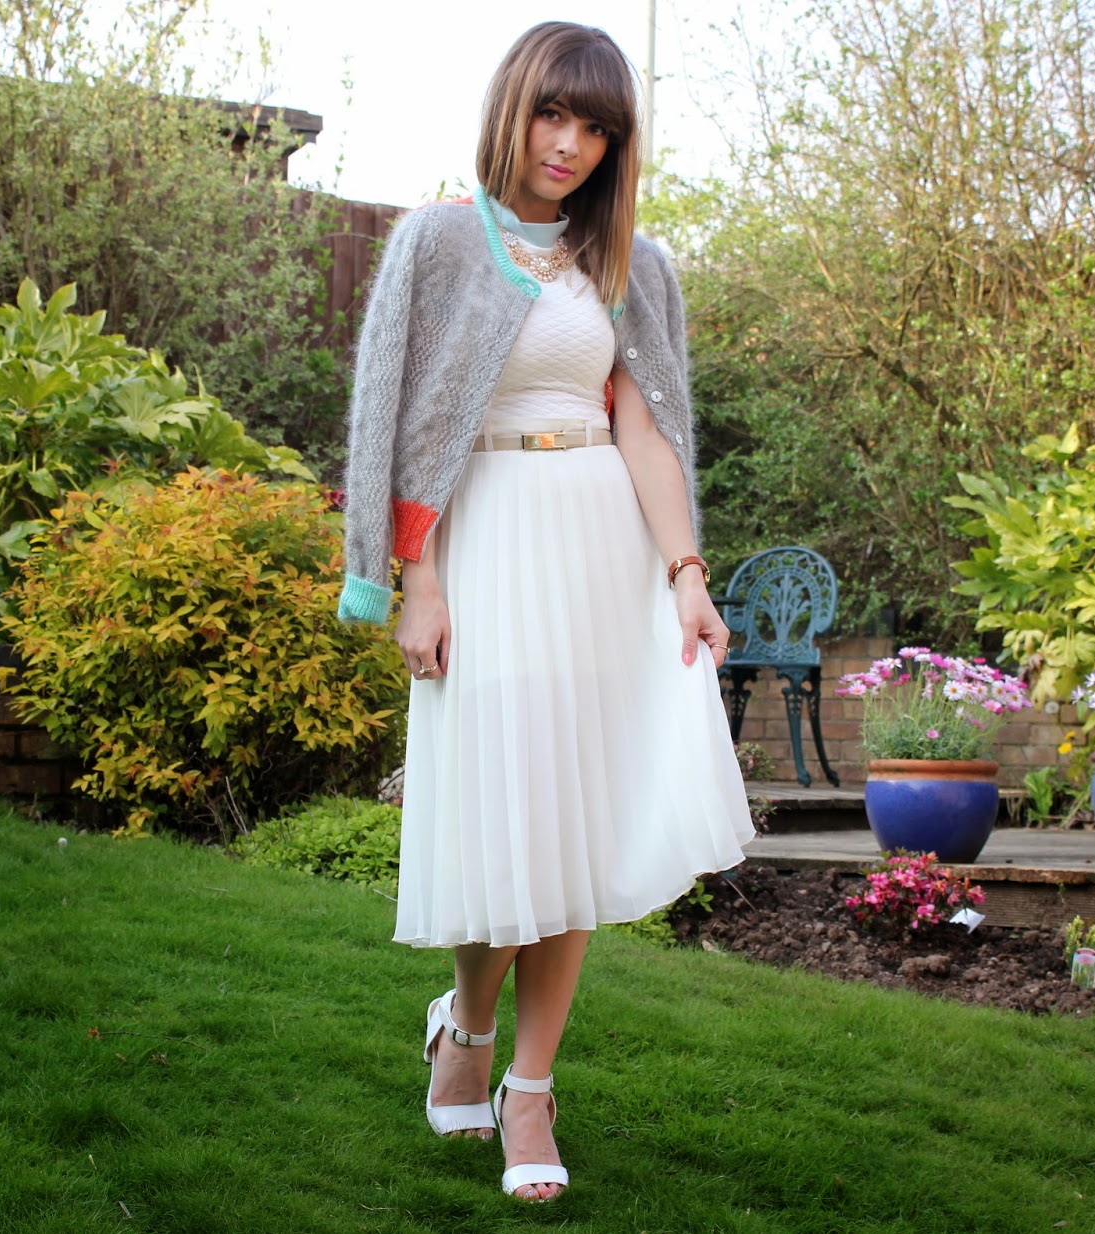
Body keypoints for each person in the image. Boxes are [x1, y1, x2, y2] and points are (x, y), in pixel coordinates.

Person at [336, 20, 754, 1202]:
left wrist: (686, 572)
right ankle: (465, 1022)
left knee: (572, 823)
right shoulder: (435, 242)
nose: (568, 144)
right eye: (551, 115)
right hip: (483, 542)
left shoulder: (631, 265)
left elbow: (649, 432)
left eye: (595, 127)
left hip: (599, 551)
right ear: (512, 109)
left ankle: (529, 1087)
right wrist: (416, 580)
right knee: (500, 817)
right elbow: (399, 421)